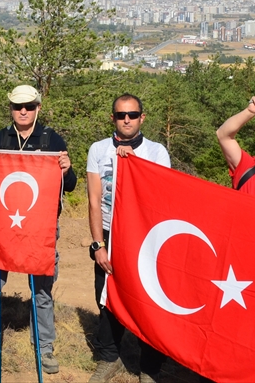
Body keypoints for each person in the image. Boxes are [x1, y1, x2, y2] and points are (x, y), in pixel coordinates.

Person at [0, 84, 76, 375]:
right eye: (18, 107)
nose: (23, 111)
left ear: (38, 107)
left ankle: (44, 345)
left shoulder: (52, 139)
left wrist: (67, 169)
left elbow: (71, 184)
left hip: (40, 227)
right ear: (11, 110)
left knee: (41, 290)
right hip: (1, 225)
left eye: (29, 106)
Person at [86, 94, 171, 383]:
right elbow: (94, 200)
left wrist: (135, 166)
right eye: (121, 114)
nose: (127, 119)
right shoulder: (98, 149)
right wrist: (98, 245)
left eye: (133, 114)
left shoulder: (157, 152)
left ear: (142, 118)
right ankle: (109, 358)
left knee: (149, 298)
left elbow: (161, 198)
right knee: (107, 296)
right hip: (110, 231)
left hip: (145, 233)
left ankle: (150, 366)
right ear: (113, 118)